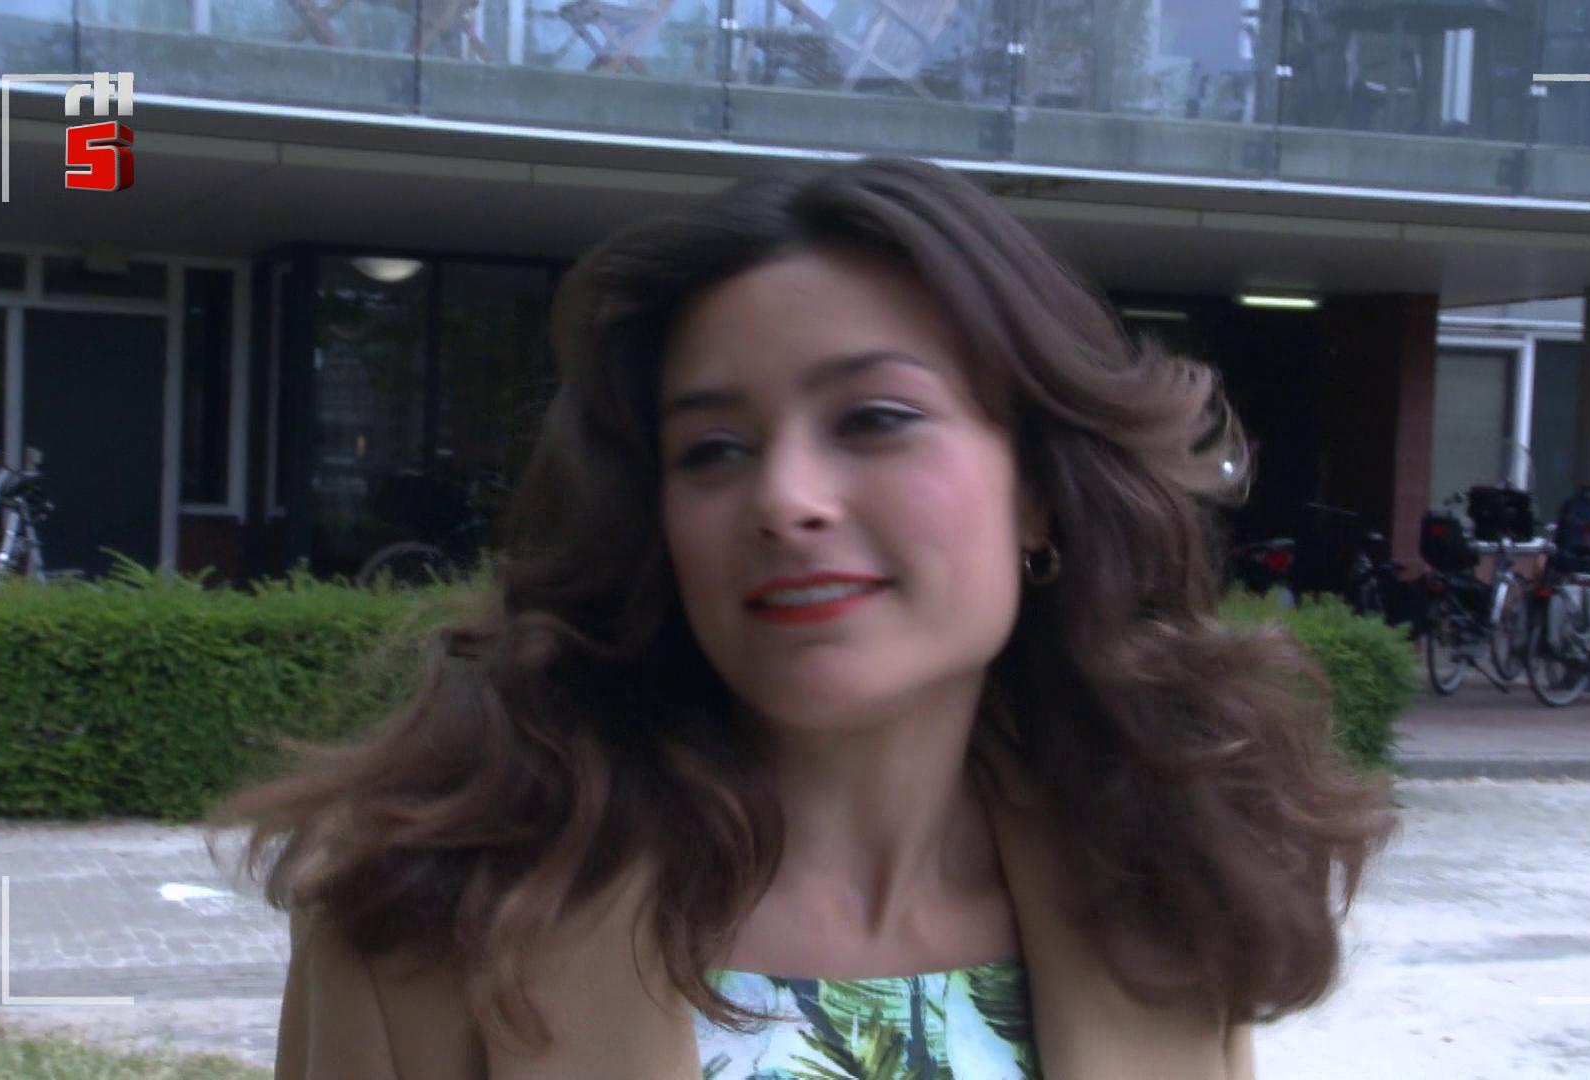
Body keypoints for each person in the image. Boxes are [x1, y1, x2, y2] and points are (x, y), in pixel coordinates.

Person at [214, 157, 1399, 1079]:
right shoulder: (429, 927)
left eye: (875, 419)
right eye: (713, 449)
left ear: (1040, 490)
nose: (785, 500)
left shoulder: (1163, 888)